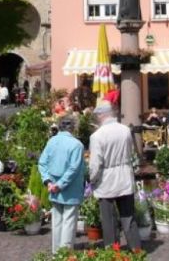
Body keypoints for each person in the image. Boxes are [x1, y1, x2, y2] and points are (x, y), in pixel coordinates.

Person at [89, 100, 140, 250]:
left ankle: (112, 252)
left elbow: (95, 164)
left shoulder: (97, 136)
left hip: (107, 180)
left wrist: (92, 179)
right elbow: (131, 153)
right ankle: (136, 249)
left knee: (109, 220)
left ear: (101, 115)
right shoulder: (125, 130)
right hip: (124, 176)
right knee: (128, 217)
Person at [38, 116, 85, 254]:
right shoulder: (77, 145)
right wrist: (59, 184)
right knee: (69, 223)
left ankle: (56, 253)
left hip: (53, 188)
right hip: (70, 189)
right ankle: (65, 254)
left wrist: (48, 182)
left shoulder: (51, 141)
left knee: (57, 221)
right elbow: (73, 169)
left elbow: (42, 163)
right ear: (73, 127)